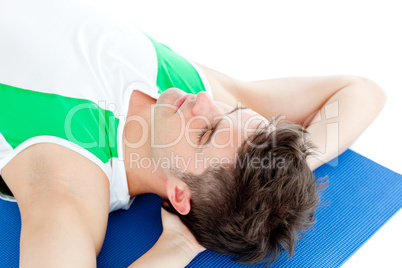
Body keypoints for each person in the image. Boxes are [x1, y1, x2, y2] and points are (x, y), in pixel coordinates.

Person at [0, 0, 386, 267]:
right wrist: (293, 166)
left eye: (208, 131)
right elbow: (361, 91)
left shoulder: (66, 184)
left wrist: (177, 247)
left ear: (180, 195)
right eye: (233, 113)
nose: (205, 100)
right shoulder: (191, 90)